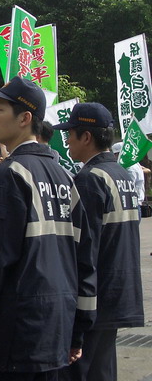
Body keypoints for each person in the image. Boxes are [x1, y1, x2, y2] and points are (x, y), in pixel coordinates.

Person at [0, 77, 96, 380]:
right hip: (55, 333)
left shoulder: (9, 176)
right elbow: (85, 262)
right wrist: (78, 332)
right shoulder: (65, 177)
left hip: (10, 339)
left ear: (25, 118)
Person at [53, 103, 144, 381]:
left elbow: (84, 249)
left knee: (80, 371)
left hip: (95, 297)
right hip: (117, 292)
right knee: (102, 371)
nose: (67, 140)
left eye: (70, 134)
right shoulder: (121, 174)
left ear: (86, 137)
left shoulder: (89, 179)